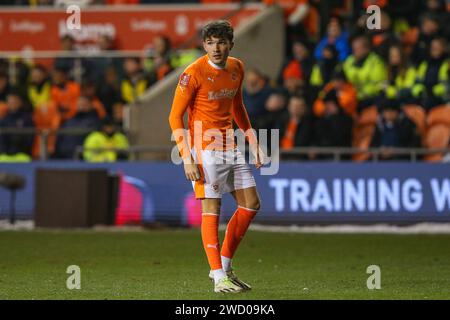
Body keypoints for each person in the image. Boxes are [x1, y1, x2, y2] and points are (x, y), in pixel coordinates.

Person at [168, 20, 266, 293]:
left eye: (221, 42)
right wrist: (187, 157)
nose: (216, 48)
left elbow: (237, 106)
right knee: (211, 209)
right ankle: (217, 275)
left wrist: (253, 141)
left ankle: (225, 266)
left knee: (251, 204)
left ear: (231, 44)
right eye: (210, 43)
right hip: (203, 148)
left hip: (230, 145)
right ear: (204, 45)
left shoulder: (237, 67)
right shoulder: (193, 73)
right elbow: (174, 116)